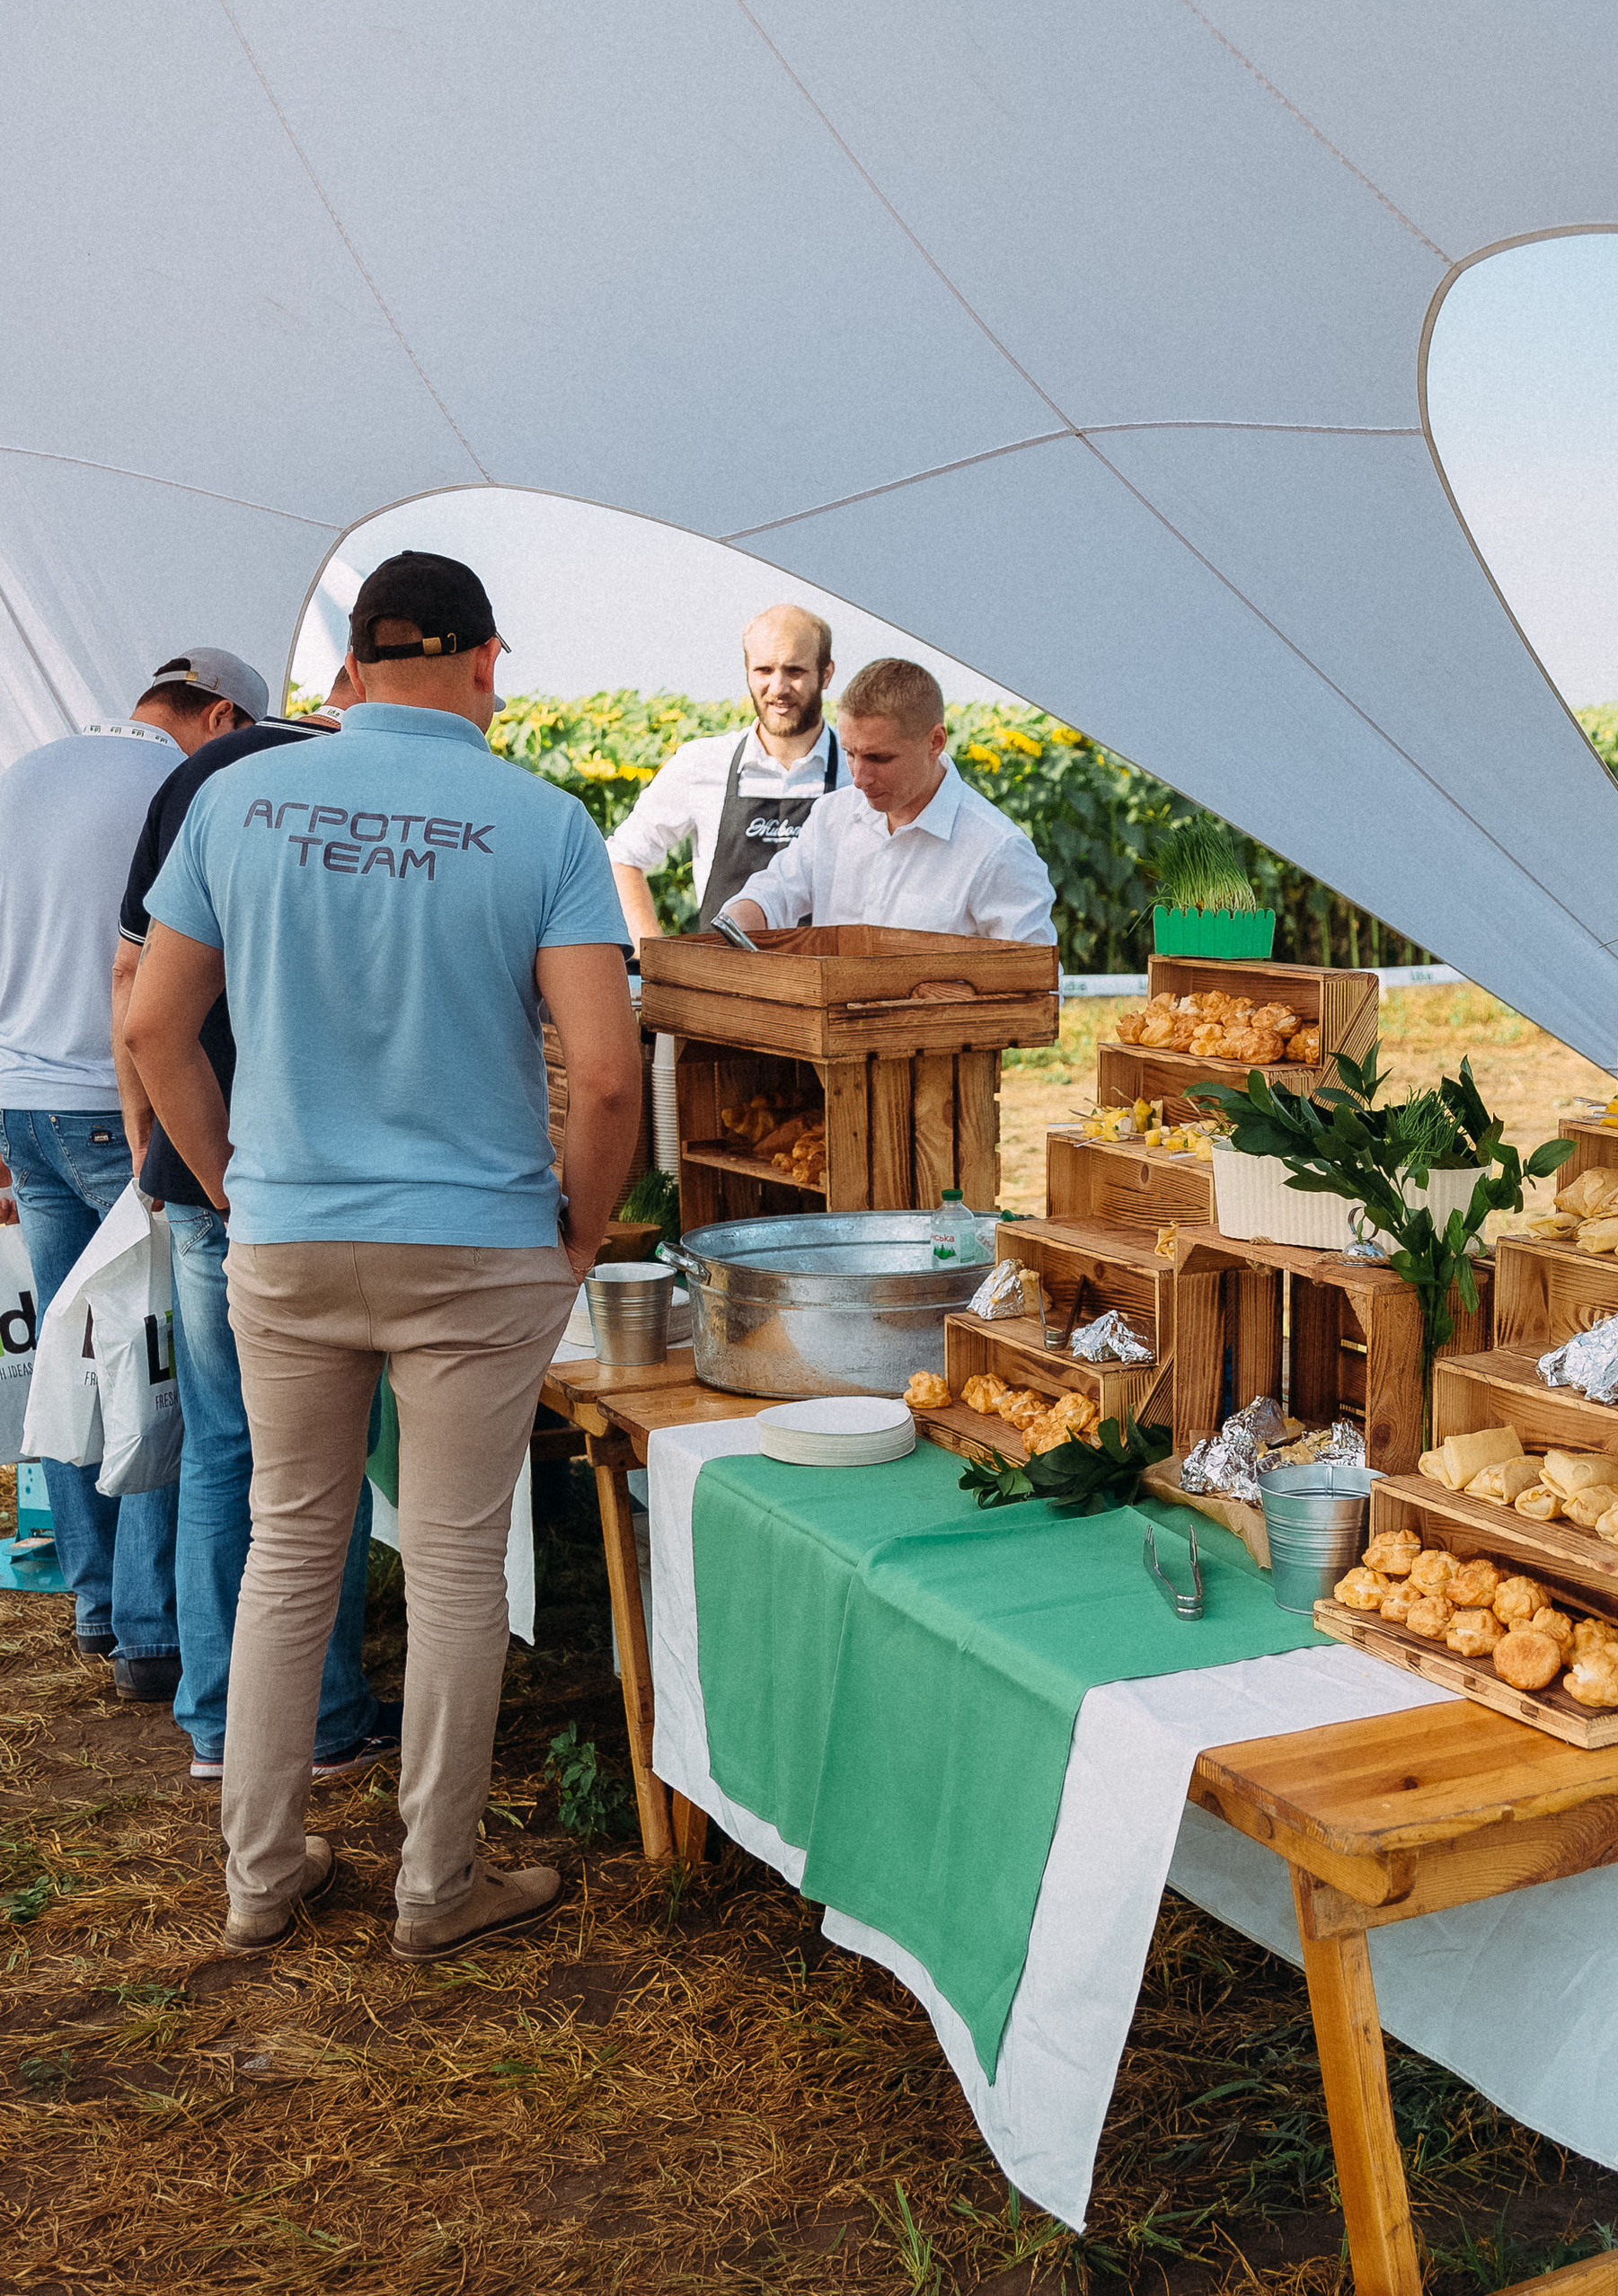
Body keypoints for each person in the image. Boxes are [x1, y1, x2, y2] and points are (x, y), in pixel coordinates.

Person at [126, 552, 639, 1961]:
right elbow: (606, 1078)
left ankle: (260, 1877)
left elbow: (154, 1026)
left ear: (351, 669)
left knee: (290, 1545)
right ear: (485, 662)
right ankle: (436, 1888)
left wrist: (233, 1185)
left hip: (288, 1231)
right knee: (461, 1564)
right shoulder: (544, 822)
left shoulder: (234, 799)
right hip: (479, 1245)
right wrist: (580, 1233)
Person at [113, 659, 397, 1788]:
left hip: (203, 1168)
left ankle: (216, 1716)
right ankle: (320, 1719)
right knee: (315, 1459)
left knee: (224, 1446)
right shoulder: (376, 794)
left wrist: (160, 1144)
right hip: (296, 1177)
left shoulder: (208, 777)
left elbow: (134, 983)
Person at [0, 648, 268, 1699]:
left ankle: (100, 1599)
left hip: (21, 1103)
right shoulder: (181, 784)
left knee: (76, 1348)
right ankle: (155, 1630)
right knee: (153, 1358)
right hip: (116, 1108)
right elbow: (149, 972)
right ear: (224, 716)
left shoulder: (27, 771)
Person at [718, 658, 1057, 945]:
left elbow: (1038, 986)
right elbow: (776, 891)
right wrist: (740, 919)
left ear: (935, 741)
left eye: (879, 758)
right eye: (850, 753)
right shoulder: (831, 815)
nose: (859, 778)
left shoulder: (998, 850)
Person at [606, 605, 842, 943]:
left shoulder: (857, 772)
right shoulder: (701, 763)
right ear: (747, 671)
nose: (778, 687)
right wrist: (650, 950)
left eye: (795, 671)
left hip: (825, 974)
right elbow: (622, 857)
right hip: (720, 974)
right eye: (764, 670)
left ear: (826, 674)